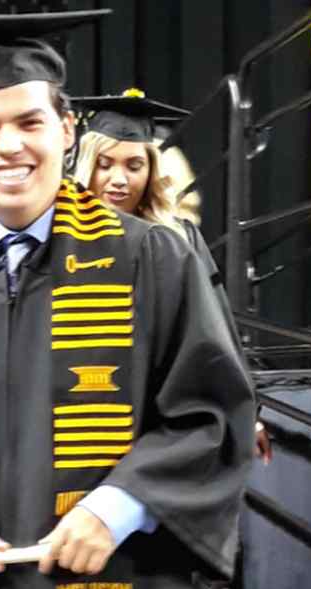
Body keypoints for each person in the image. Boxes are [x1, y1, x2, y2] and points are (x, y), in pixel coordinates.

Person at [0, 12, 256, 589]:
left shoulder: (154, 260)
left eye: (29, 122)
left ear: (66, 130)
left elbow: (212, 414)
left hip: (127, 578)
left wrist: (121, 506)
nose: (8, 145)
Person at [72, 91, 272, 465]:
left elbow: (214, 332)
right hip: (78, 420)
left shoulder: (179, 238)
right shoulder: (59, 239)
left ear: (151, 172)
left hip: (159, 419)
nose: (118, 179)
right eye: (105, 164)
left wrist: (246, 414)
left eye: (134, 166)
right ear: (86, 166)